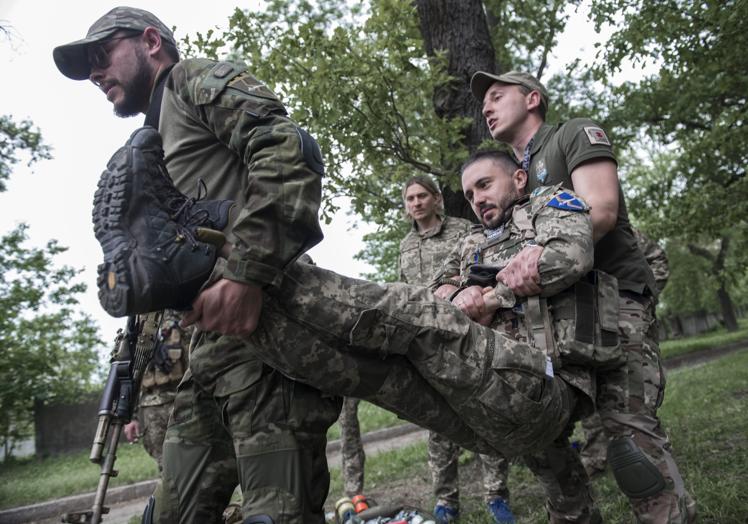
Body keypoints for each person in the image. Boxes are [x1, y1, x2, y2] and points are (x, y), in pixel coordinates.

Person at [53, 7, 342, 523]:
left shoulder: (190, 81)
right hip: (211, 354)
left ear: (150, 41)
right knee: (172, 515)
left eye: (101, 55)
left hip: (269, 335)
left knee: (277, 514)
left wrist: (246, 274)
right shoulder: (151, 135)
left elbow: (286, 150)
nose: (95, 73)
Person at [470, 70, 695, 523]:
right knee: (544, 443)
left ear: (532, 98)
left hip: (616, 301)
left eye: (496, 97)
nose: (486, 108)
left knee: (630, 438)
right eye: (483, 104)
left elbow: (602, 209)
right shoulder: (507, 179)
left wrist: (535, 255)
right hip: (556, 320)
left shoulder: (570, 135)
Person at [431, 150, 602, 523]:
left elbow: (570, 256)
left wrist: (490, 297)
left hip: (564, 370)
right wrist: (457, 296)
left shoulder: (549, 205)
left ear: (519, 179)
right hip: (509, 379)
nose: (477, 199)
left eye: (485, 185)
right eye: (470, 195)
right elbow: (436, 293)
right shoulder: (469, 244)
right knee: (560, 484)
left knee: (635, 462)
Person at [399, 175, 514, 524]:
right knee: (438, 422)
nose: (416, 203)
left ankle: (496, 496)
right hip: (427, 342)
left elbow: (480, 273)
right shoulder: (405, 245)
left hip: (468, 332)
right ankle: (446, 502)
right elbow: (406, 291)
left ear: (436, 199)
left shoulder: (464, 230)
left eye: (422, 196)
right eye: (410, 199)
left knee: (485, 412)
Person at [579, 228, 670, 476]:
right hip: (590, 321)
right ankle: (597, 455)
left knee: (636, 391)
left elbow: (658, 260)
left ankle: (648, 450)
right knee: (592, 389)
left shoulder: (621, 233)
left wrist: (641, 299)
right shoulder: (569, 234)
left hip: (627, 316)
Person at [122, 310, 190, 472]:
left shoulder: (181, 308)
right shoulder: (138, 318)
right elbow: (131, 371)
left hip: (183, 400)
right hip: (151, 408)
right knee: (166, 469)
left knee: (193, 464)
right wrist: (131, 417)